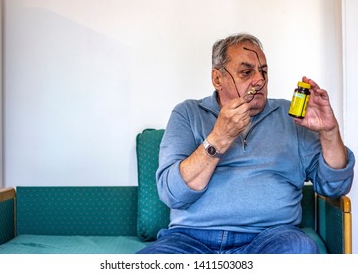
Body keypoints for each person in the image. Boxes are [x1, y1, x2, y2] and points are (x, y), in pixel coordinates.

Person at [137, 33, 355, 254]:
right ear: (217, 78)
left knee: (299, 248)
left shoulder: (292, 118)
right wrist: (219, 137)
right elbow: (172, 193)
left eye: (264, 72)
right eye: (246, 72)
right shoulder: (188, 113)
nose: (259, 80)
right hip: (189, 239)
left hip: (270, 238)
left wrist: (329, 132)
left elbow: (335, 186)